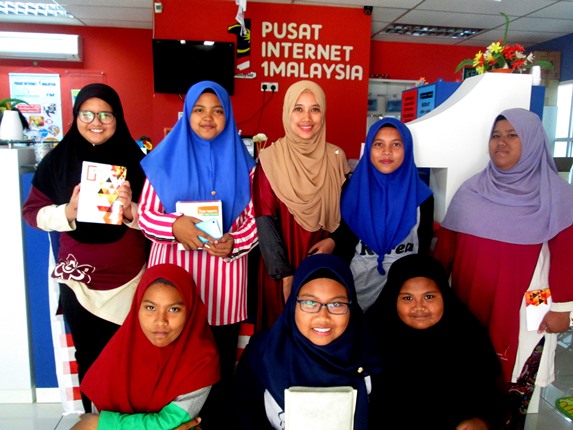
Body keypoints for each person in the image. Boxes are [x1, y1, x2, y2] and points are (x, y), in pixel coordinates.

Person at [433, 108, 573, 426]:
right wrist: (436, 288)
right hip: (469, 297)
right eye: (496, 135)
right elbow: (447, 248)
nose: (501, 142)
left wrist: (562, 309)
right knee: (467, 367)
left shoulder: (558, 196)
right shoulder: (471, 190)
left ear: (533, 142)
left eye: (512, 135)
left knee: (513, 381)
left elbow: (567, 255)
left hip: (527, 304)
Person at [138, 80, 257, 429]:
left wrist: (234, 242)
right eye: (200, 110)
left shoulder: (246, 166)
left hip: (224, 288)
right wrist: (176, 226)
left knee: (217, 367)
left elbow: (254, 223)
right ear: (187, 114)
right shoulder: (162, 161)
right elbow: (145, 217)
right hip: (173, 285)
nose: (208, 117)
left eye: (217, 111)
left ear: (228, 116)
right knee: (169, 363)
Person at [22, 83, 148, 412]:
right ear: (76, 116)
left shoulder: (140, 163)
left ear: (118, 118)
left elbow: (157, 218)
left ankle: (125, 421)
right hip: (79, 281)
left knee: (127, 356)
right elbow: (32, 213)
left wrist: (131, 210)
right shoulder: (56, 162)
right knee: (88, 355)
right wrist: (68, 211)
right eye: (87, 114)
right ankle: (94, 420)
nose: (96, 122)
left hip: (129, 280)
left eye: (106, 114)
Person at [234, 254, 380, 430]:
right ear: (293, 305)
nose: (323, 317)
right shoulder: (264, 350)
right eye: (310, 302)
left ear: (351, 306)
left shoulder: (372, 353)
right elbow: (242, 410)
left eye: (336, 304)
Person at [366, 254, 507, 429]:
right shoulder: (372, 338)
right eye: (407, 298)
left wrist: (482, 421)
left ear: (444, 296)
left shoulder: (467, 336)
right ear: (393, 298)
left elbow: (491, 391)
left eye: (429, 297)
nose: (419, 307)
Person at [71, 263, 220, 430]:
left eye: (174, 309)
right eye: (150, 307)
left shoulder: (202, 358)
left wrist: (101, 423)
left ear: (191, 311)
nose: (160, 321)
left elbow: (171, 422)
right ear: (137, 307)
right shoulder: (118, 351)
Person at [254, 80, 349, 331]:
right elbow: (265, 220)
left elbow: (349, 214)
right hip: (280, 269)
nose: (307, 117)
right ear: (287, 112)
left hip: (323, 264)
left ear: (323, 113)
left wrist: (334, 241)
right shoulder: (270, 159)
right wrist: (286, 277)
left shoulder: (336, 158)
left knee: (322, 328)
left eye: (315, 109)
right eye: (298, 108)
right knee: (281, 335)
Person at [333, 117, 434, 311]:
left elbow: (422, 252)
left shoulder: (422, 196)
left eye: (396, 144)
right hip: (357, 294)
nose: (387, 152)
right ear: (369, 149)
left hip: (403, 299)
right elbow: (344, 242)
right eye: (379, 144)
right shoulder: (351, 190)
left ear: (407, 149)